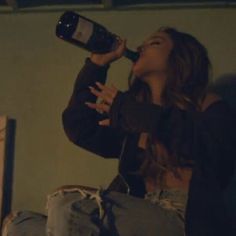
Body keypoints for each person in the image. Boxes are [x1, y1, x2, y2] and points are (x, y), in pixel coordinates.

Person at [2, 27, 236, 236]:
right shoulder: (129, 115)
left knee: (69, 205)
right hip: (138, 209)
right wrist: (96, 65)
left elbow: (210, 151)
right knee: (20, 224)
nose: (142, 46)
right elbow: (80, 127)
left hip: (184, 217)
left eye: (155, 42)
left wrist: (129, 109)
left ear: (181, 56)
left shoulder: (206, 104)